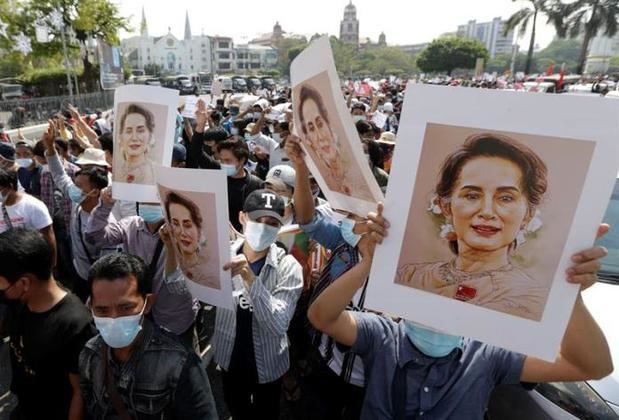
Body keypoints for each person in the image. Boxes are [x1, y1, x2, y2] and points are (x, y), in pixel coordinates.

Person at [308, 202, 613, 420]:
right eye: (441, 280)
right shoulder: (383, 335)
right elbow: (322, 316)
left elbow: (591, 367)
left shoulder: (488, 355)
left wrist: (568, 297)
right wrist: (369, 264)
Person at [397, 133, 549, 320]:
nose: (487, 212)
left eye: (506, 198)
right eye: (472, 196)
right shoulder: (411, 276)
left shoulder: (531, 298)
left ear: (528, 214)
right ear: (446, 206)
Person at [79, 253, 218, 419]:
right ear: (90, 306)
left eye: (126, 308)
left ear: (148, 304)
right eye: (102, 310)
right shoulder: (90, 355)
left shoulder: (180, 363)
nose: (114, 318)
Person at [211, 189, 303, 420]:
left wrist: (250, 279)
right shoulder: (221, 256)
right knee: (236, 409)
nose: (263, 227)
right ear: (242, 218)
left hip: (269, 364)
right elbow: (185, 292)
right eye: (257, 219)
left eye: (272, 222)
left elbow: (278, 324)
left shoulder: (289, 267)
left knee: (267, 413)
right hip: (228, 358)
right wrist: (176, 253)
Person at [0, 228, 95, 420]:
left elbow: (80, 392)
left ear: (24, 283)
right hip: (25, 410)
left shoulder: (75, 324)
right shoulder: (19, 303)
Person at [85, 188, 199, 347]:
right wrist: (104, 205)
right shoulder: (130, 226)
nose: (149, 205)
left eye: (156, 201)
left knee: (182, 362)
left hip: (174, 318)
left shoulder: (183, 232)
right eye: (145, 201)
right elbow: (94, 237)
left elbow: (180, 285)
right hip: (139, 318)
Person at [43, 122, 113, 301]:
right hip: (81, 274)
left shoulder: (106, 223)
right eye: (75, 184)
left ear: (95, 192)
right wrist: (50, 148)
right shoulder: (78, 204)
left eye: (79, 186)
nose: (73, 189)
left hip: (103, 281)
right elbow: (60, 176)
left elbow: (109, 261)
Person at [297, 83, 374, 201]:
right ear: (308, 139)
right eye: (311, 128)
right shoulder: (316, 180)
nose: (320, 136)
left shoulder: (358, 171)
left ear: (330, 125)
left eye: (320, 124)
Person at [163, 190, 220, 289]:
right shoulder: (173, 262)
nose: (182, 232)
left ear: (198, 229)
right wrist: (170, 247)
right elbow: (172, 287)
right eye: (176, 224)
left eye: (187, 225)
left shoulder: (212, 266)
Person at [115, 104, 156, 184]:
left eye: (140, 131)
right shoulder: (117, 171)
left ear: (150, 135)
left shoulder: (155, 172)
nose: (134, 138)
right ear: (121, 136)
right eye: (128, 131)